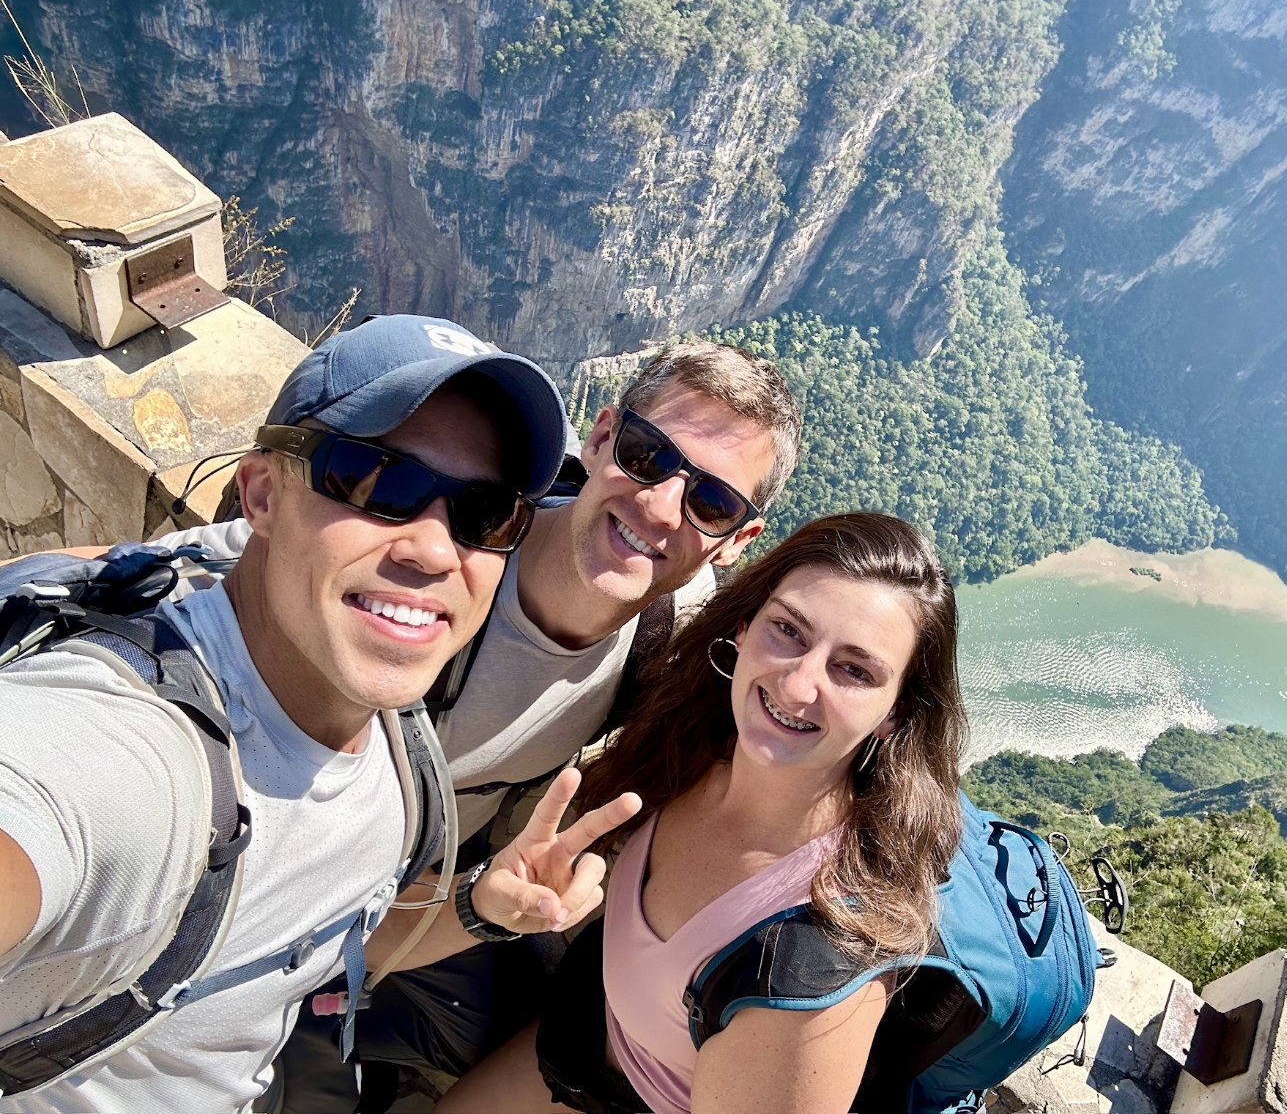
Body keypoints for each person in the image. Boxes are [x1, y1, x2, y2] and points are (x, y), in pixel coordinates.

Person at [22, 340, 804, 1105]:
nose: (662, 505)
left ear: (736, 540)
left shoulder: (671, 647)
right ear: (601, 437)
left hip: (395, 893)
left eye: (711, 501)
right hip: (250, 858)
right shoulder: (449, 548)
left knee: (513, 1020)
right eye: (644, 453)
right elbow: (183, 574)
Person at [438, 512, 968, 1114]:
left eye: (854, 670)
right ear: (743, 627)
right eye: (788, 630)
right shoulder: (694, 746)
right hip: (583, 1042)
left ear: (895, 713)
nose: (797, 686)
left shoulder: (813, 965)